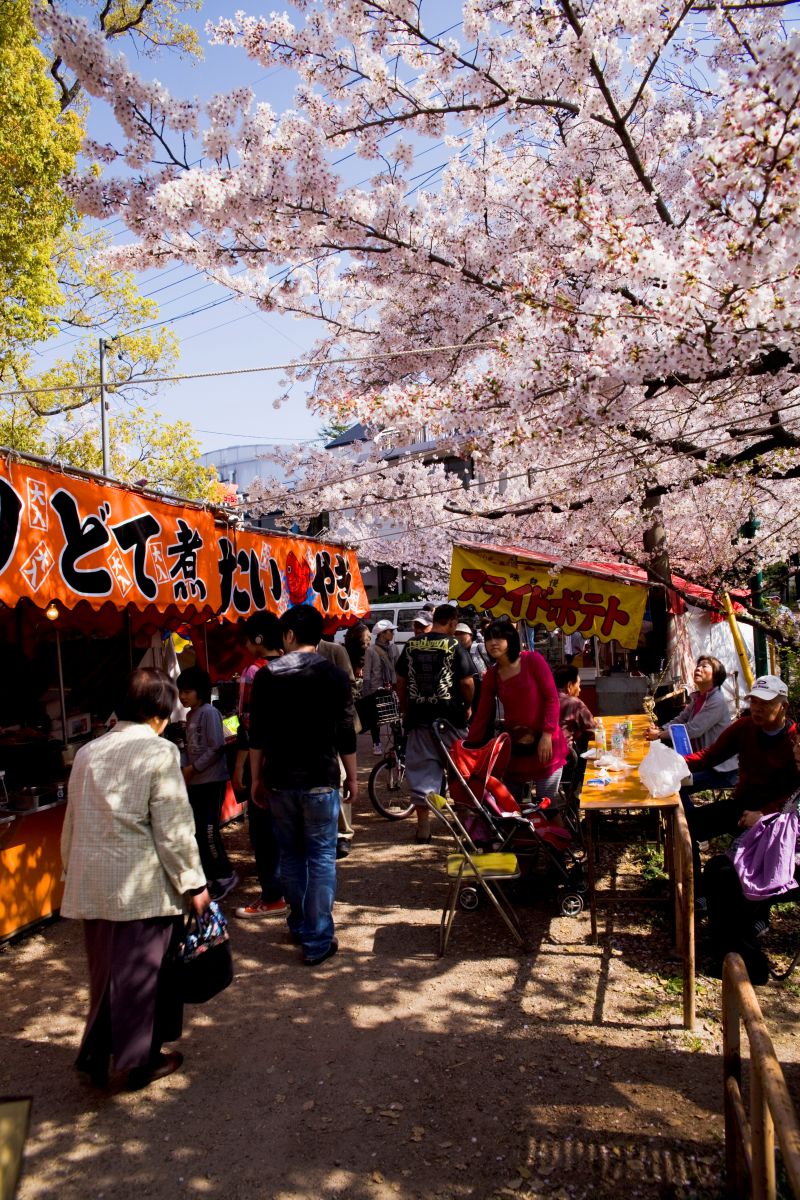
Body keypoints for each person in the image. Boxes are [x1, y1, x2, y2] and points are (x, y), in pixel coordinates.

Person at [61, 668, 210, 1091]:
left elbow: (72, 821)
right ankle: (138, 1063)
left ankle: (96, 1053)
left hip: (94, 885)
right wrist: (194, 884)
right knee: (142, 977)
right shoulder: (159, 753)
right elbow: (175, 830)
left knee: (106, 974)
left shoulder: (89, 751)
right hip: (142, 889)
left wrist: (70, 872)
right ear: (157, 711)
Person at [249, 604, 357, 966]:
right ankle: (318, 939)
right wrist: (352, 776)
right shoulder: (335, 677)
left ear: (290, 636)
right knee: (322, 857)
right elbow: (346, 732)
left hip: (280, 780)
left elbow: (258, 735)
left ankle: (298, 924)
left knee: (291, 856)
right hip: (321, 781)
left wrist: (255, 778)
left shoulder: (267, 677)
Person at [682, 674, 800, 900]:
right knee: (687, 827)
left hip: (778, 819)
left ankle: (758, 913)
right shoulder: (744, 727)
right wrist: (677, 764)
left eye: (765, 703)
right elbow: (710, 756)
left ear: (783, 706)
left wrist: (764, 815)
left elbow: (795, 797)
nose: (757, 709)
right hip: (742, 803)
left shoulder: (794, 741)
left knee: (755, 863)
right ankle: (697, 894)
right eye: (754, 701)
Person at [468, 616, 568, 808]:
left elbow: (552, 698)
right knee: (509, 806)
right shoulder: (492, 675)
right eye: (489, 639)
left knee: (547, 805)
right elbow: (482, 714)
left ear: (511, 640)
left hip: (546, 743)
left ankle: (558, 837)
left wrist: (547, 734)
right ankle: (517, 838)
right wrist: (470, 746)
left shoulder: (532, 660)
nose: (493, 643)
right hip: (517, 746)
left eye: (499, 638)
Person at [395, 603, 475, 843]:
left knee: (421, 771)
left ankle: (423, 827)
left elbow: (400, 680)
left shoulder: (411, 645)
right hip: (450, 719)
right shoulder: (454, 646)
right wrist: (468, 705)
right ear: (451, 622)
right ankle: (464, 823)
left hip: (419, 719)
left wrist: (406, 707)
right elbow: (468, 682)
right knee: (459, 768)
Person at [232, 612, 287, 920]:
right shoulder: (298, 665)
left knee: (264, 832)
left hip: (263, 762)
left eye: (247, 639)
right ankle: (291, 892)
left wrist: (241, 767)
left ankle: (272, 895)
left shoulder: (253, 672)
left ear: (257, 640)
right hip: (297, 762)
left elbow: (246, 723)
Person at [177, 666, 238, 902]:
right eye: (180, 691)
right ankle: (212, 875)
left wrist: (193, 768)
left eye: (188, 691)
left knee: (209, 830)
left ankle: (225, 874)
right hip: (196, 782)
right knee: (199, 831)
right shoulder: (191, 715)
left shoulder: (208, 713)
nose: (183, 696)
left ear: (200, 691)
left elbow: (216, 746)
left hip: (212, 781)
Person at [645, 655, 737, 803]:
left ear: (716, 675)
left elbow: (693, 729)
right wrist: (660, 728)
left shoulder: (716, 701)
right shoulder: (698, 698)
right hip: (700, 761)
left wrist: (660, 735)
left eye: (705, 666)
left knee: (674, 785)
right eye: (698, 666)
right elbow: (681, 719)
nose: (698, 669)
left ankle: (689, 823)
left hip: (720, 769)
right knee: (662, 773)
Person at [554, 664, 595, 800]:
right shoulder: (574, 703)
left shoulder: (545, 699)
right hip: (565, 759)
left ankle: (570, 799)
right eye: (579, 684)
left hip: (540, 758)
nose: (580, 689)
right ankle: (580, 797)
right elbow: (593, 731)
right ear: (570, 685)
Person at [361, 619, 398, 754]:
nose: (393, 633)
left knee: (395, 716)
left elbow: (398, 668)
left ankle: (397, 743)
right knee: (375, 717)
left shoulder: (394, 648)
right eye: (391, 631)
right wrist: (366, 691)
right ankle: (376, 743)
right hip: (376, 688)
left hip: (392, 686)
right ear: (382, 633)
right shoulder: (371, 650)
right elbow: (367, 672)